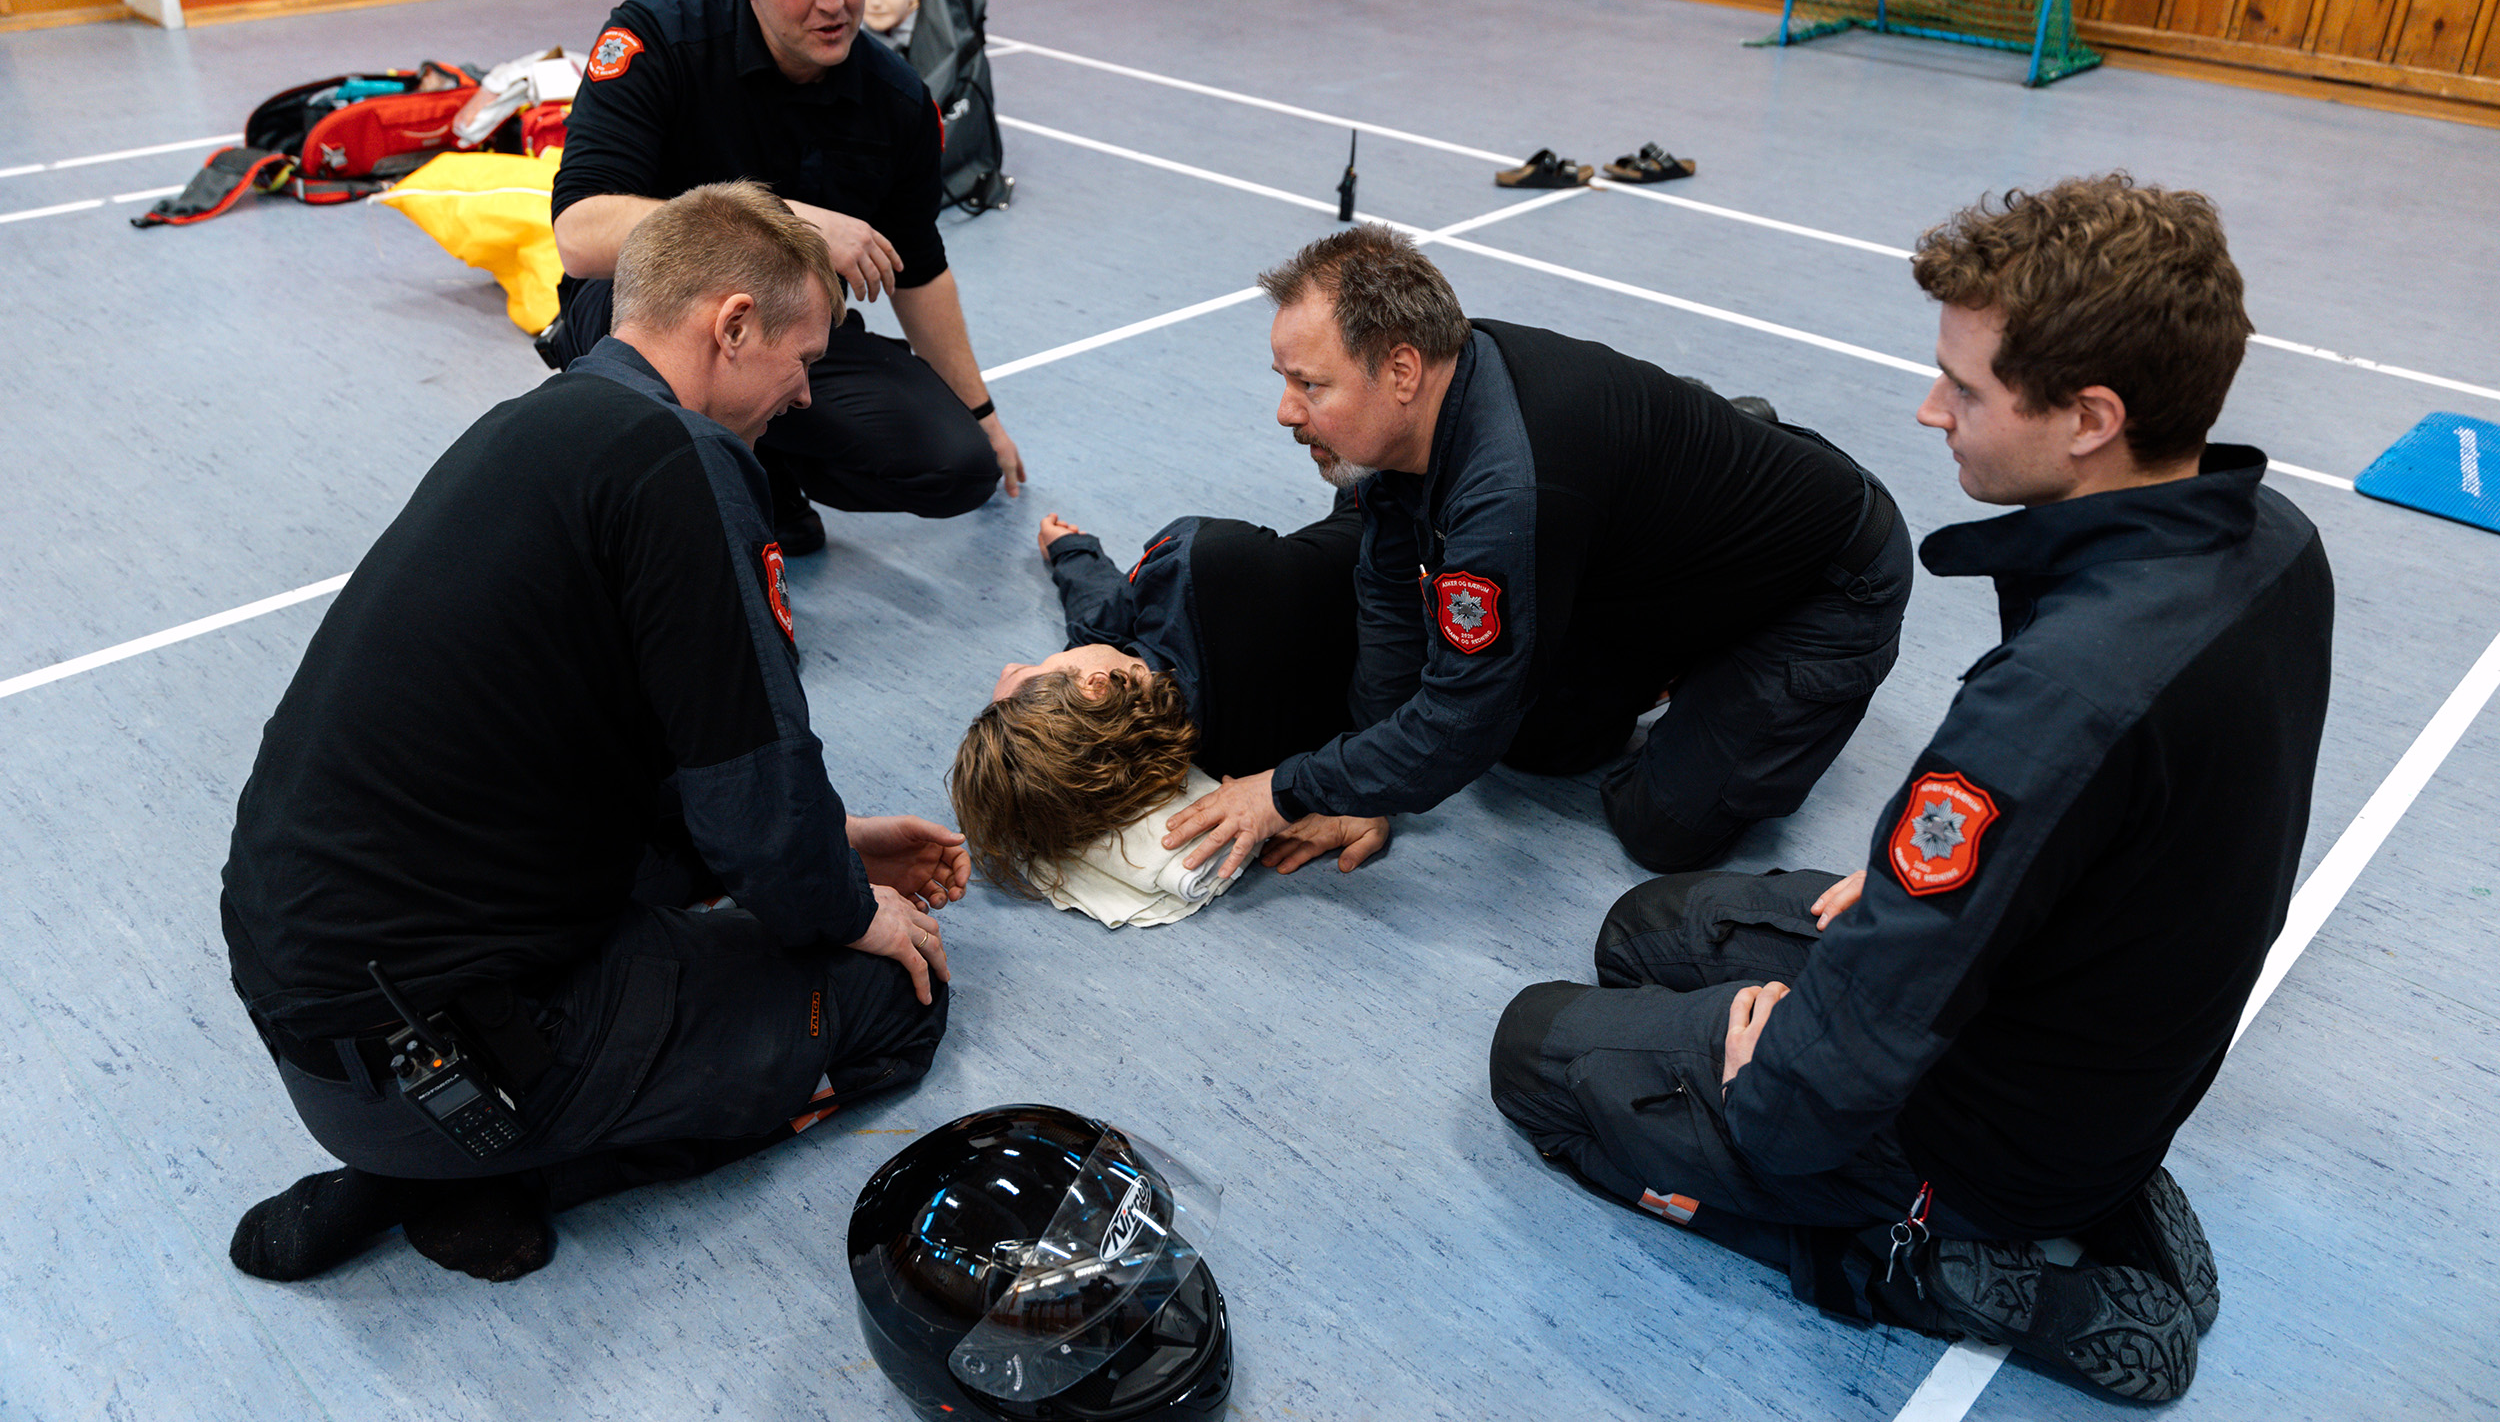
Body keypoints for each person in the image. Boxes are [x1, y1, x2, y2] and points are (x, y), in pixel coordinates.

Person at [1488, 174, 2334, 1403]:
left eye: (1969, 387)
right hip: (2103, 1029)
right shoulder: (2272, 539)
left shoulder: (2065, 694)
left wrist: (1767, 1085)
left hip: (1986, 1115)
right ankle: (2101, 1181)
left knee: (1536, 1052)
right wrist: (1920, 889)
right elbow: (2098, 833)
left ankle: (1899, 1254)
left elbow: (1867, 1022)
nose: (1930, 407)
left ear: (2090, 415)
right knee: (1648, 929)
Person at [220, 183, 969, 1285]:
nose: (807, 395)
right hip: (458, 1052)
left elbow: (617, 757)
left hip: (319, 1014)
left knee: (730, 884)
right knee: (897, 1000)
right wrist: (848, 904)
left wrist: (834, 841)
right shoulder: (688, 463)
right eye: (801, 358)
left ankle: (426, 1155)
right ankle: (492, 1171)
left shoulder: (542, 424)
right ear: (732, 325)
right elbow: (752, 790)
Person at [1165, 224, 1912, 881]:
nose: (1286, 410)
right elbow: (1389, 590)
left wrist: (1285, 788)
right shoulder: (1429, 403)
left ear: (1400, 370)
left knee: (1663, 827)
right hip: (1626, 552)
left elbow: (1460, 722)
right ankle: (1701, 463)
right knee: (1540, 745)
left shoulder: (1507, 489)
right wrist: (1363, 788)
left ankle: (1721, 562)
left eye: (1309, 384)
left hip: (1826, 582)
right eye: (1285, 380)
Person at [545, 0, 1025, 555]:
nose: (833, 3)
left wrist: (982, 414)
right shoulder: (658, 40)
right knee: (671, 499)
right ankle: (693, 474)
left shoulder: (897, 103)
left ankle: (760, 464)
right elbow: (581, 235)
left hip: (788, 333)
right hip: (645, 313)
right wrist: (787, 221)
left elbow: (917, 267)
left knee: (956, 467)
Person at [950, 497, 1387, 926]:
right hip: (1391, 517)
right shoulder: (1201, 564)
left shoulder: (1225, 763)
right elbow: (1390, 545)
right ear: (1097, 687)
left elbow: (1100, 622)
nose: (1009, 666)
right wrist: (1374, 789)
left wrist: (1072, 554)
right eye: (1030, 668)